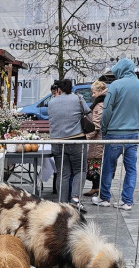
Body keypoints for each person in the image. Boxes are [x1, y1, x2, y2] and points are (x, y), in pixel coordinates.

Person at [92, 58, 139, 211]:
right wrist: (138, 127)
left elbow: (107, 111)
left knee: (108, 166)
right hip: (133, 133)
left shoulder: (116, 85)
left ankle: (104, 198)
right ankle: (127, 201)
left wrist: (104, 129)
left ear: (120, 70)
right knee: (131, 169)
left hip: (114, 133)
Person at [45, 78, 90, 210]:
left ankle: (62, 203)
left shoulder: (51, 102)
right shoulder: (78, 98)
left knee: (62, 173)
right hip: (77, 140)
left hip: (57, 142)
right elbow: (87, 112)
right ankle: (75, 199)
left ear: (59, 89)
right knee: (80, 170)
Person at [82, 80, 108, 197]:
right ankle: (95, 187)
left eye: (94, 92)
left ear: (100, 91)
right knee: (94, 164)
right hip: (97, 139)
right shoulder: (102, 102)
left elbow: (96, 125)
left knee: (94, 163)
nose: (93, 95)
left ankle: (97, 187)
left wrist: (86, 137)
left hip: (97, 140)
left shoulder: (100, 105)